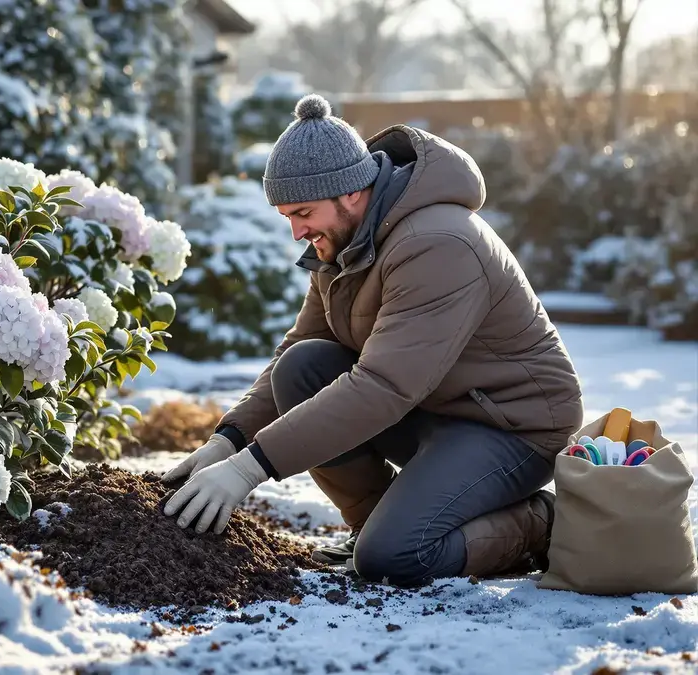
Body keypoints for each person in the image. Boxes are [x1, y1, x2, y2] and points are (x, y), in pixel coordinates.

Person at [161, 94, 584, 586]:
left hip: (510, 426)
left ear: (352, 193)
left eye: (303, 212)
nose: (297, 231)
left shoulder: (438, 243)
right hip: (433, 410)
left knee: (396, 559)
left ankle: (539, 523)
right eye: (287, 217)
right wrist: (226, 440)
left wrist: (249, 468)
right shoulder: (344, 242)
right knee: (303, 367)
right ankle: (373, 526)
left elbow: (383, 386)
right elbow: (296, 352)